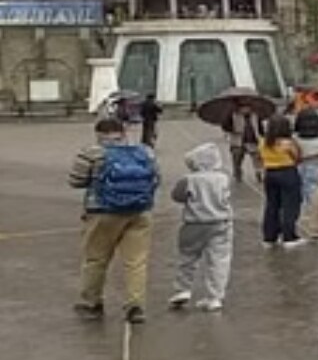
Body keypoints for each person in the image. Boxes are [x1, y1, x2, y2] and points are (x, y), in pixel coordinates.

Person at [68, 118, 160, 323]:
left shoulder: (91, 153)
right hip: (140, 212)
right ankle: (135, 305)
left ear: (99, 134)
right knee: (136, 261)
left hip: (103, 212)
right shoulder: (145, 152)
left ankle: (92, 303)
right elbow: (156, 179)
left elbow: (75, 181)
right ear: (123, 132)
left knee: (96, 259)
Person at [168, 143, 234, 311]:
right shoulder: (223, 178)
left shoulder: (189, 179)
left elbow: (177, 196)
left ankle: (183, 288)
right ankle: (215, 297)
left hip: (194, 222)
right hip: (221, 222)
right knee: (219, 260)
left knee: (187, 256)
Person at [259, 115, 304, 247]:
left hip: (270, 173)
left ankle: (269, 236)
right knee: (290, 205)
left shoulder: (263, 142)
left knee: (272, 205)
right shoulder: (288, 143)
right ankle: (289, 236)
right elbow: (298, 157)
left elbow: (260, 158)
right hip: (287, 172)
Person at [222, 106, 262, 183]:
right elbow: (225, 126)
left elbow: (260, 127)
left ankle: (259, 173)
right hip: (238, 141)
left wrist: (261, 136)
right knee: (237, 159)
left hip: (253, 140)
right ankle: (238, 174)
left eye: (248, 107)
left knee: (257, 158)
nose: (246, 109)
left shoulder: (255, 115)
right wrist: (233, 128)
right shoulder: (233, 115)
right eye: (243, 107)